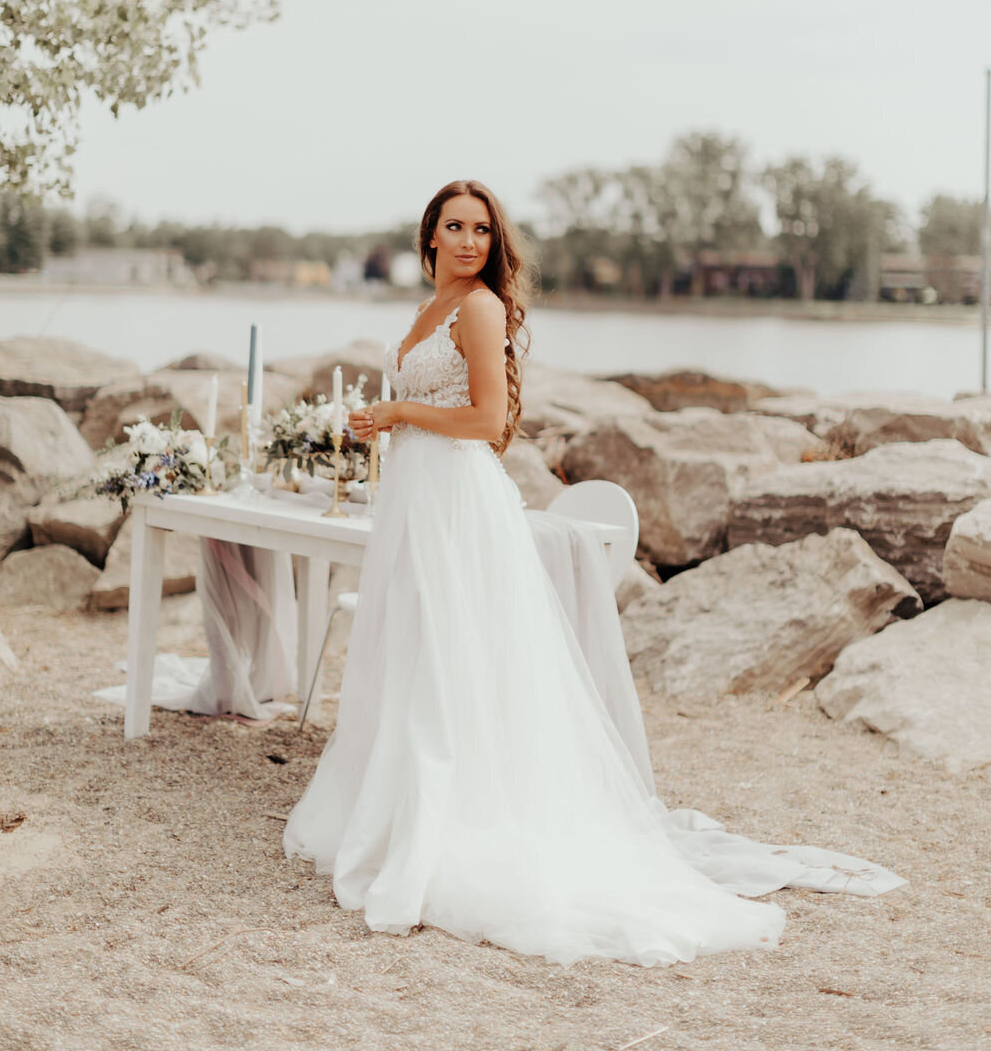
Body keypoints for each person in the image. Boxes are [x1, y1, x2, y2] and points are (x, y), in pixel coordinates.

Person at [283, 179, 904, 968]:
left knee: (450, 657)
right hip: (417, 496)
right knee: (412, 648)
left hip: (457, 499)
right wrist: (380, 421)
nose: (470, 241)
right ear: (428, 238)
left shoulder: (477, 309)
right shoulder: (423, 314)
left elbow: (487, 422)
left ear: (492, 242)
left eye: (482, 229)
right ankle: (394, 804)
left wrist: (400, 413)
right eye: (455, 227)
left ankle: (447, 814)